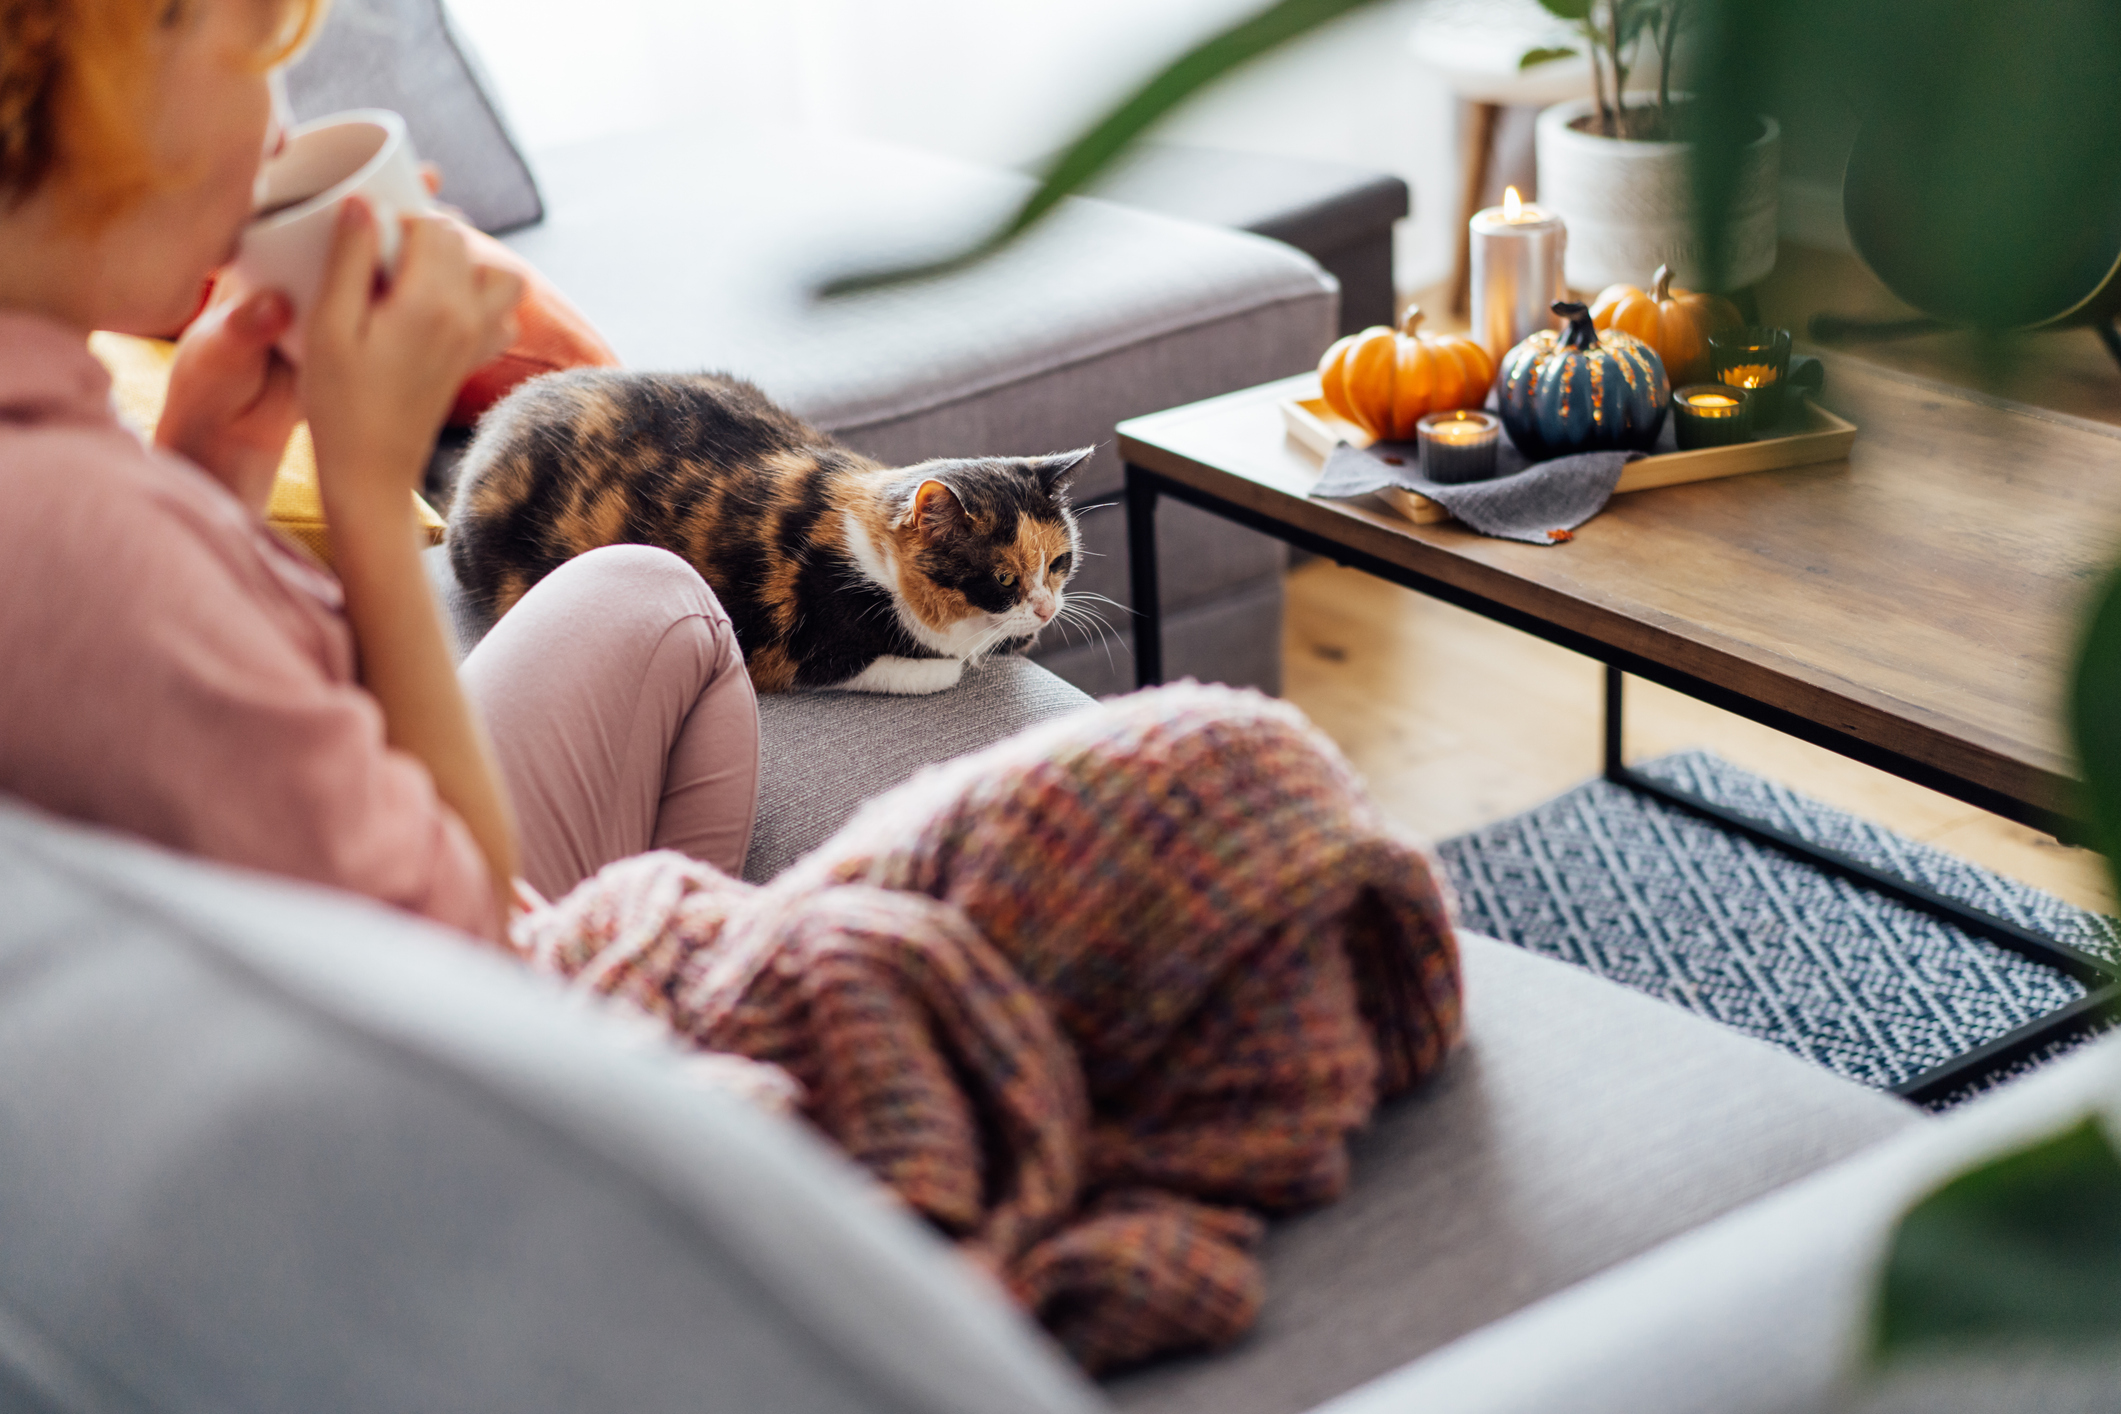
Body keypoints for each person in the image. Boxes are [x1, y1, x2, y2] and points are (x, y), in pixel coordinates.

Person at [0, 0, 762, 942]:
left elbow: (138, 739)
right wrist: (367, 492)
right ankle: (651, 1044)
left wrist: (206, 478)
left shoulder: (69, 473)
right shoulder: (91, 544)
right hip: (429, 1034)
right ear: (92, 90)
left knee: (647, 591)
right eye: (259, 55)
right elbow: (461, 957)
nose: (278, 133)